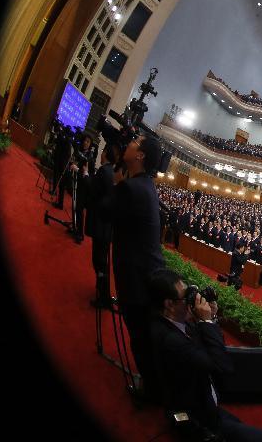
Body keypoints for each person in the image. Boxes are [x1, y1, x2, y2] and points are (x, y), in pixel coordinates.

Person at [148, 269, 262, 442]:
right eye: (186, 297)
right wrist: (205, 322)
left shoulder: (175, 322)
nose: (191, 302)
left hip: (206, 397)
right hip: (199, 416)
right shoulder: (170, 340)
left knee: (240, 423)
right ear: (169, 304)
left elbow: (214, 347)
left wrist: (211, 318)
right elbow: (222, 366)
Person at [111, 134, 166, 402]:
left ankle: (152, 391)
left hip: (136, 277)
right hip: (147, 272)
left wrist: (112, 183)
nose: (129, 143)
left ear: (141, 155)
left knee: (140, 336)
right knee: (144, 335)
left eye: (135, 142)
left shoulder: (131, 188)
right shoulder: (144, 185)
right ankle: (153, 383)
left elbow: (101, 211)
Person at [86, 143, 118, 308]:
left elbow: (93, 192)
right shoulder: (110, 172)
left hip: (101, 224)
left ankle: (104, 297)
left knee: (99, 261)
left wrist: (85, 175)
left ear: (105, 153)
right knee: (101, 261)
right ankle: (102, 292)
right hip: (105, 226)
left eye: (102, 151)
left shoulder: (104, 171)